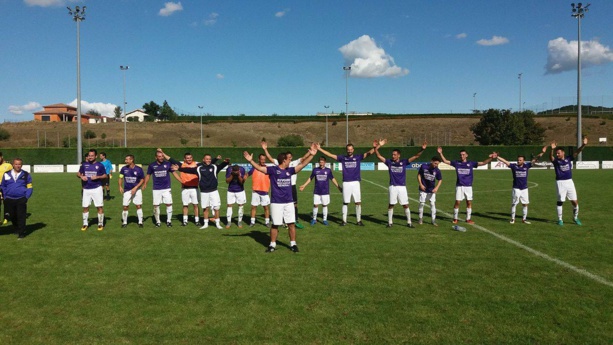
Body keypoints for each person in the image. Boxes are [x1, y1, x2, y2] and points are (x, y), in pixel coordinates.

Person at [243, 143, 317, 253]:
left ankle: (293, 244)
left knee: (291, 223)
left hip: (288, 202)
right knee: (275, 224)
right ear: (284, 161)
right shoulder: (273, 170)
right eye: (288, 159)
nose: (289, 161)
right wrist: (250, 161)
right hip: (276, 202)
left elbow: (302, 165)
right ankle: (272, 244)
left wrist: (312, 155)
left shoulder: (290, 170)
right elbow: (259, 168)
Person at [317, 140, 379, 226]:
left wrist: (376, 147)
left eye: (351, 149)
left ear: (353, 150)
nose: (349, 151)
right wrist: (320, 149)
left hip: (356, 182)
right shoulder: (343, 158)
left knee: (358, 202)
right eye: (348, 149)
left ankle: (359, 220)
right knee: (345, 202)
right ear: (346, 150)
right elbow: (330, 155)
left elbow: (369, 153)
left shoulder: (358, 157)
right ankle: (344, 221)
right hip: (346, 183)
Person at [374, 139, 426, 228]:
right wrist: (378, 146)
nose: (393, 156)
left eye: (394, 154)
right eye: (392, 154)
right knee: (391, 204)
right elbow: (378, 155)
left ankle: (409, 222)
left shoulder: (404, 162)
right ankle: (390, 222)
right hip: (392, 187)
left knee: (405, 205)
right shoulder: (389, 162)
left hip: (402, 187)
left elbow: (416, 156)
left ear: (399, 155)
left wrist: (422, 149)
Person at [437, 147, 496, 224]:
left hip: (468, 186)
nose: (462, 156)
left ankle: (468, 219)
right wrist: (440, 153)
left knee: (469, 202)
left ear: (466, 155)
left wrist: (491, 158)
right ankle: (455, 218)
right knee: (457, 202)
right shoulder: (456, 163)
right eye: (461, 155)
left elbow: (483, 163)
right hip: (459, 186)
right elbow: (445, 161)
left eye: (463, 154)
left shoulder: (471, 163)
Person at [172, 153, 230, 229]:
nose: (208, 160)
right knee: (205, 208)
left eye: (209, 159)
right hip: (204, 192)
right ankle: (205, 224)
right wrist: (179, 169)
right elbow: (189, 170)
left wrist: (226, 162)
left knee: (216, 208)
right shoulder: (199, 168)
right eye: (207, 159)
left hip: (214, 191)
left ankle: (218, 223)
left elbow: (221, 166)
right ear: (203, 160)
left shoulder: (214, 167)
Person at [262, 141, 310, 229]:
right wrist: (265, 149)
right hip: (281, 186)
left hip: (292, 186)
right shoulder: (280, 164)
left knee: (294, 204)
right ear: (285, 158)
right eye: (288, 157)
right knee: (282, 204)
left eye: (290, 157)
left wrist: (310, 153)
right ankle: (283, 221)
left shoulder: (294, 163)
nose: (289, 158)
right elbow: (270, 159)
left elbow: (303, 159)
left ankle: (295, 220)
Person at [496, 145, 547, 224]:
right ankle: (513, 219)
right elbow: (505, 161)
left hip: (524, 188)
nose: (518, 161)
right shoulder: (514, 166)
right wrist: (498, 157)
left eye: (520, 160)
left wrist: (542, 153)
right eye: (518, 160)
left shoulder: (526, 166)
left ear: (523, 161)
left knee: (525, 204)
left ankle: (524, 219)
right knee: (514, 204)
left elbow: (535, 159)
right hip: (516, 188)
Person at [550, 137, 588, 226]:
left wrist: (583, 145)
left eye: (558, 153)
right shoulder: (556, 161)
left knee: (575, 202)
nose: (557, 154)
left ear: (563, 153)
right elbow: (551, 158)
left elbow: (577, 152)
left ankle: (575, 218)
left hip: (570, 182)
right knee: (560, 201)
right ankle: (560, 219)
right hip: (560, 182)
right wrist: (552, 150)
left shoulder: (568, 158)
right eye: (556, 153)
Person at [299, 156, 341, 226]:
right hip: (317, 191)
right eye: (320, 162)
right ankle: (314, 219)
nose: (321, 163)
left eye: (322, 162)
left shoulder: (328, 170)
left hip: (325, 192)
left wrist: (338, 187)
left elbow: (333, 179)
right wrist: (304, 185)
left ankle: (325, 220)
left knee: (325, 205)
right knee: (315, 205)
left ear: (325, 162)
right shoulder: (315, 170)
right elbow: (310, 178)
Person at [143, 150, 180, 227]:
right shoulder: (152, 165)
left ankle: (169, 221)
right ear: (156, 157)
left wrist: (181, 181)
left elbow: (174, 173)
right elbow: (148, 175)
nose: (161, 158)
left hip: (166, 188)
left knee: (169, 204)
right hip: (156, 189)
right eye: (159, 156)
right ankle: (158, 222)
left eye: (162, 156)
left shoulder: (168, 164)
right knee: (156, 205)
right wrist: (145, 183)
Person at [0, 158, 33, 239]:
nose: (18, 166)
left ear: (21, 165)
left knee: (21, 216)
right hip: (9, 199)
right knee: (12, 216)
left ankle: (21, 233)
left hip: (21, 198)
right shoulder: (7, 174)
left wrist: (26, 197)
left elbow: (30, 187)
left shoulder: (26, 174)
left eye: (19, 164)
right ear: (13, 165)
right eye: (16, 164)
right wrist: (5, 195)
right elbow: (3, 186)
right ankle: (16, 228)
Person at [77, 149, 107, 231]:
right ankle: (85, 224)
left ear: (96, 156)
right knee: (85, 207)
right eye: (89, 156)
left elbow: (105, 176)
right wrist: (81, 176)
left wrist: (98, 177)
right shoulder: (84, 165)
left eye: (92, 156)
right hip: (86, 189)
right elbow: (78, 173)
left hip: (97, 188)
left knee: (99, 206)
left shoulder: (100, 165)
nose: (90, 157)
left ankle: (100, 224)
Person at [118, 154, 145, 228]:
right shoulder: (123, 169)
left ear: (131, 160)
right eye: (125, 159)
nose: (125, 161)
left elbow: (142, 179)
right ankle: (124, 222)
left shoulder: (139, 169)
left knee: (138, 205)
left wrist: (135, 188)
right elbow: (120, 177)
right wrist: (120, 186)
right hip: (127, 190)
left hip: (137, 190)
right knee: (125, 206)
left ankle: (140, 222)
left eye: (127, 159)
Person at [246, 154, 271, 227]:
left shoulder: (268, 169)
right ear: (259, 160)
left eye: (264, 159)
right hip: (255, 191)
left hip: (265, 191)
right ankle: (252, 221)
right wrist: (242, 179)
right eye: (262, 159)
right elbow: (247, 175)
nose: (263, 161)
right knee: (253, 207)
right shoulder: (254, 168)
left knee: (266, 207)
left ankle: (267, 222)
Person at [417, 157, 443, 226]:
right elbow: (419, 175)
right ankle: (420, 218)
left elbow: (440, 179)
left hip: (431, 190)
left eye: (437, 164)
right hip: (423, 189)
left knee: (432, 204)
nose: (436, 165)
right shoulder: (424, 166)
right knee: (422, 204)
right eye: (435, 163)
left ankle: (433, 220)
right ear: (431, 161)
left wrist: (436, 188)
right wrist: (421, 184)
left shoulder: (437, 170)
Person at [179, 152, 200, 226]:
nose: (189, 159)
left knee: (195, 205)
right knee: (185, 205)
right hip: (185, 188)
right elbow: (170, 160)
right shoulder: (181, 165)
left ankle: (197, 221)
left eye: (190, 157)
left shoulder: (196, 164)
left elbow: (207, 162)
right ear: (184, 159)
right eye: (187, 158)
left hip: (194, 188)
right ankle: (185, 221)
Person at [0, 152, 13, 225]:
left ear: (1, 156)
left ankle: (6, 218)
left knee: (6, 203)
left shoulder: (8, 165)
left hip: (5, 187)